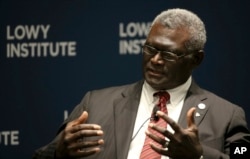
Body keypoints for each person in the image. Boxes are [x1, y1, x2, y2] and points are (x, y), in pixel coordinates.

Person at [33, 8, 250, 159]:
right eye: (150, 49)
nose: (155, 60)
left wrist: (200, 155)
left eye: (169, 54)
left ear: (196, 59)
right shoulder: (95, 103)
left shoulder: (228, 115)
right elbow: (40, 155)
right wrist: (57, 153)